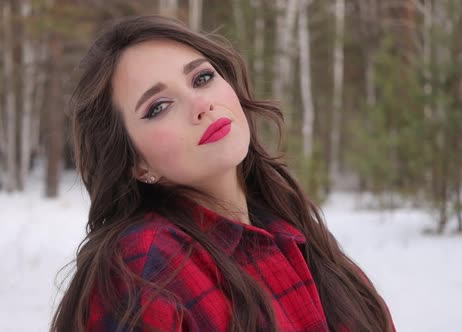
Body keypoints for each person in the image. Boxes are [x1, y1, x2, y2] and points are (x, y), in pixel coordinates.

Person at [50, 15, 395, 332]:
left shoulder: (292, 231)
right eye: (159, 107)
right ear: (137, 163)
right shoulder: (144, 267)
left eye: (202, 78)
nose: (202, 105)